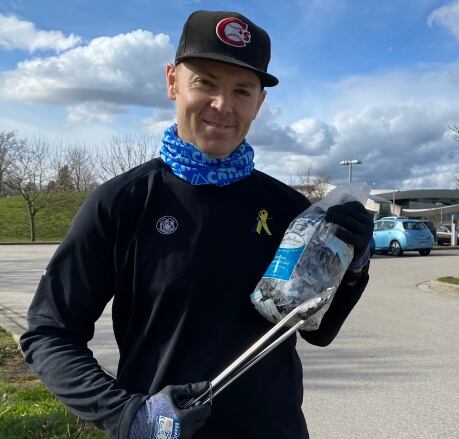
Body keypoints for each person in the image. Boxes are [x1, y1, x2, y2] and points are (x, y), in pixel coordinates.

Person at [19, 10, 373, 439]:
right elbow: (49, 333)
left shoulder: (289, 209)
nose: (223, 106)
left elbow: (315, 331)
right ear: (172, 82)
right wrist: (128, 416)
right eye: (205, 82)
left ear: (259, 103)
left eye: (242, 90)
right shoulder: (122, 202)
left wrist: (351, 268)